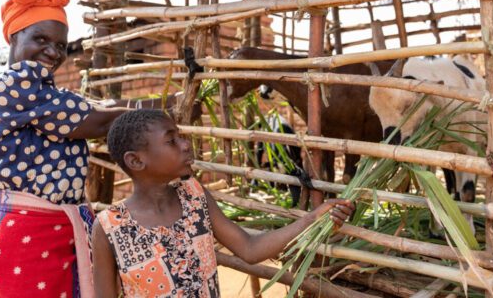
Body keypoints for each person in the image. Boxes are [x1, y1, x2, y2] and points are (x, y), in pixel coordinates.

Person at [0, 0, 136, 298]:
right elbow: (97, 119)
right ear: (13, 36)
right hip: (28, 239)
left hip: (53, 234)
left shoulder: (45, 94)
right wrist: (167, 109)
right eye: (41, 39)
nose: (53, 52)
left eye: (61, 45)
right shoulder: (11, 86)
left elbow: (95, 112)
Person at [92, 109, 355, 297]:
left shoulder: (194, 197)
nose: (186, 145)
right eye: (172, 140)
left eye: (181, 136)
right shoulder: (109, 228)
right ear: (136, 161)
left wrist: (312, 218)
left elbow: (250, 249)